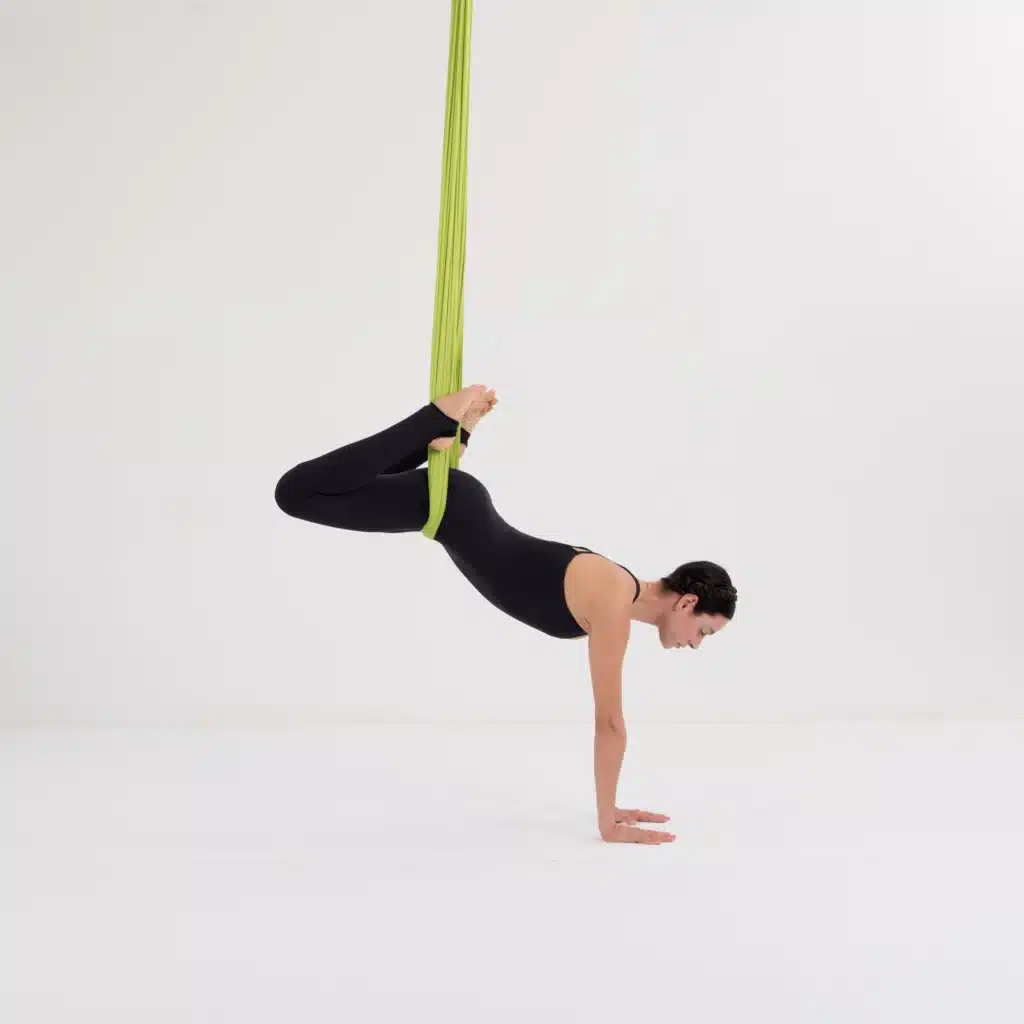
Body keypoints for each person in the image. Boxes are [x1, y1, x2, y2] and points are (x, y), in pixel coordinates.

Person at [274, 384, 737, 846]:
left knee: (324, 490)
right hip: (453, 508)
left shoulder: (619, 588)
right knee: (297, 492)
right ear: (687, 603)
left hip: (454, 506)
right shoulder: (614, 602)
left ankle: (445, 433)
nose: (695, 643)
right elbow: (610, 722)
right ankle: (434, 420)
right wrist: (607, 823)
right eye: (703, 632)